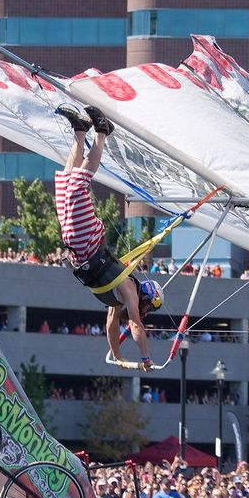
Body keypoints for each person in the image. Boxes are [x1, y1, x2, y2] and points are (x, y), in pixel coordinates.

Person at [52, 104, 162, 369]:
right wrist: (145, 358)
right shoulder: (130, 291)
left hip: (75, 246)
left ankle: (80, 131)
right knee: (78, 185)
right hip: (87, 243)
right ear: (146, 296)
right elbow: (134, 324)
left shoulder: (118, 301)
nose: (144, 312)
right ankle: (102, 133)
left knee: (65, 183)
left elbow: (111, 326)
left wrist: (118, 356)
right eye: (147, 307)